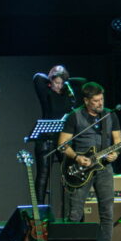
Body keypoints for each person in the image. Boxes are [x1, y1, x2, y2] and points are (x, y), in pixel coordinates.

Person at [57, 81, 121, 241]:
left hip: (104, 169)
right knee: (75, 213)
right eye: (95, 101)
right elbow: (62, 145)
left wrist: (116, 153)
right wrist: (77, 157)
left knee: (107, 213)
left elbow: (118, 141)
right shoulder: (74, 116)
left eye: (101, 99)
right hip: (80, 170)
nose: (100, 103)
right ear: (86, 101)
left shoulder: (110, 115)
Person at [31, 65, 82, 204]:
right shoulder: (45, 91)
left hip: (62, 138)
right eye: (55, 82)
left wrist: (66, 81)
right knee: (43, 175)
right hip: (46, 138)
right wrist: (53, 76)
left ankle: (74, 207)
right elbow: (37, 77)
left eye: (60, 83)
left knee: (70, 171)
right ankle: (39, 209)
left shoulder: (67, 94)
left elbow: (82, 81)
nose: (57, 86)